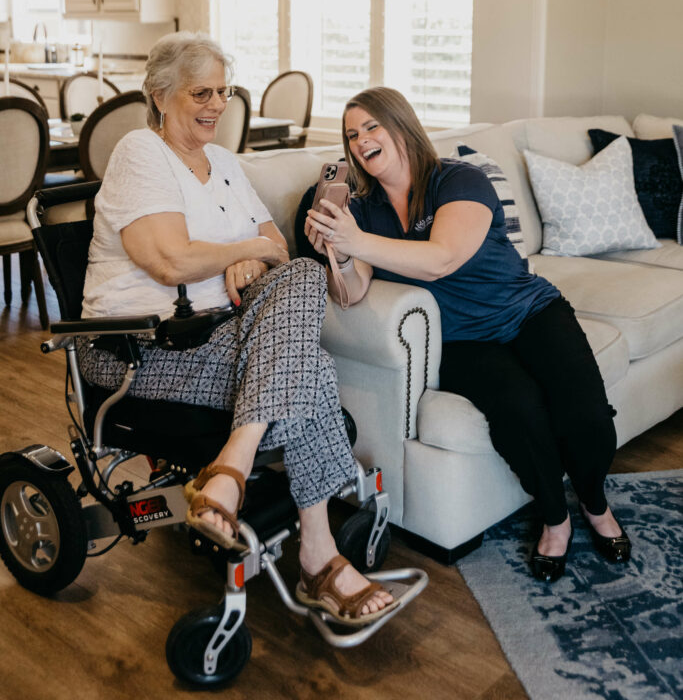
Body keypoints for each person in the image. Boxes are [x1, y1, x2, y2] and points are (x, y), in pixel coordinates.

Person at [79, 32, 395, 623]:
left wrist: (254, 254)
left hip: (220, 331)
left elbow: (277, 245)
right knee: (313, 368)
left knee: (302, 267)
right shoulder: (139, 153)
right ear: (159, 94)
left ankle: (233, 465)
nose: (216, 105)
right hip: (137, 349)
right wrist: (245, 250)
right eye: (201, 92)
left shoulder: (223, 162)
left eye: (223, 91)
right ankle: (318, 555)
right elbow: (169, 259)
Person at [305, 86, 631, 583]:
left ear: (402, 125)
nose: (362, 140)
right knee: (519, 413)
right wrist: (339, 251)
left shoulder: (459, 179)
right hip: (462, 342)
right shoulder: (364, 211)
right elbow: (350, 294)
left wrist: (357, 240)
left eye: (372, 126)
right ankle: (555, 518)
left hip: (528, 311)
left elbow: (443, 258)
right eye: (352, 134)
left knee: (584, 413)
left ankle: (594, 502)